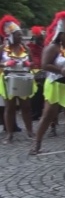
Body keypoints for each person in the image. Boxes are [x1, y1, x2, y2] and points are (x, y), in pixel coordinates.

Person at [31, 11, 65, 155]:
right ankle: (37, 143)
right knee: (48, 114)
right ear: (60, 34)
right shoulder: (53, 48)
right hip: (54, 84)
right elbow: (44, 65)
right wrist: (61, 71)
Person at [0, 15, 36, 143]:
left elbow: (33, 63)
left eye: (21, 34)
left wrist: (29, 64)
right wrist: (5, 64)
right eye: (18, 35)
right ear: (10, 36)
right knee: (10, 108)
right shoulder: (3, 49)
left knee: (26, 106)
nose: (20, 37)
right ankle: (10, 134)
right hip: (8, 79)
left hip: (24, 78)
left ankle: (30, 131)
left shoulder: (26, 49)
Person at [28, 25, 46, 121]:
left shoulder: (44, 47)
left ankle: (39, 112)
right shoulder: (29, 47)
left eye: (41, 39)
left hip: (42, 72)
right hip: (34, 72)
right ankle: (34, 112)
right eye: (39, 39)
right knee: (35, 94)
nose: (40, 40)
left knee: (41, 94)